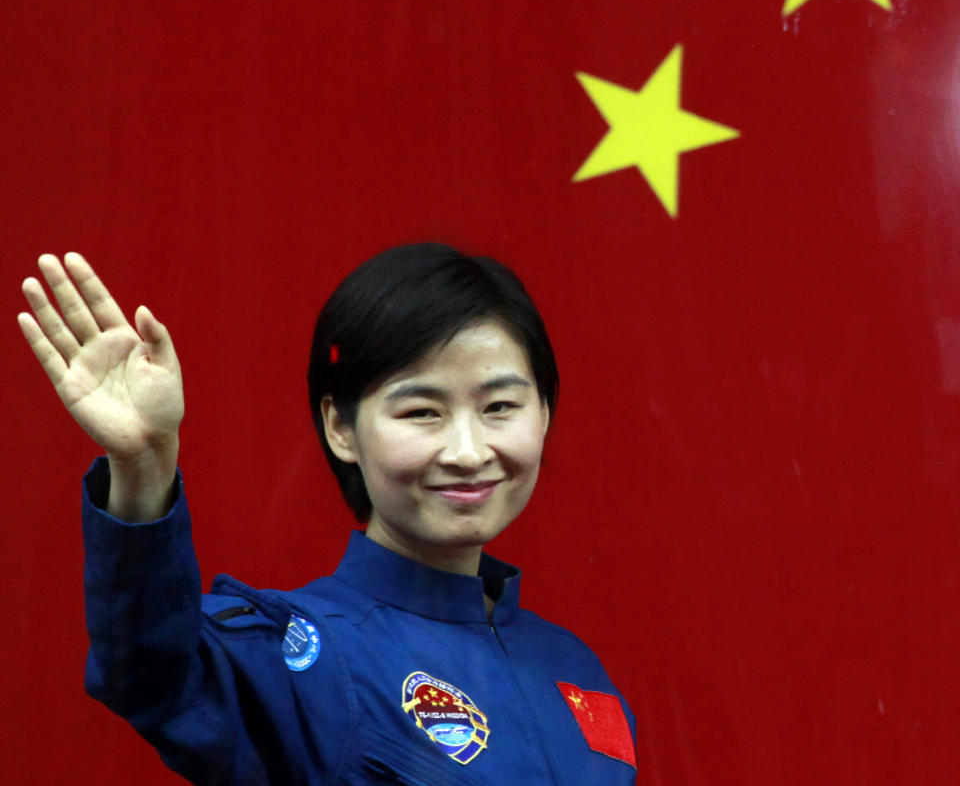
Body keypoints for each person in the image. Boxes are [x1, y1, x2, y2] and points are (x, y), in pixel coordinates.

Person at [18, 244, 637, 785]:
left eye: (501, 406)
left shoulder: (576, 671)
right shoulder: (297, 654)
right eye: (422, 412)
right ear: (341, 428)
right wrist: (145, 464)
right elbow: (150, 671)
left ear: (545, 415)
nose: (469, 451)